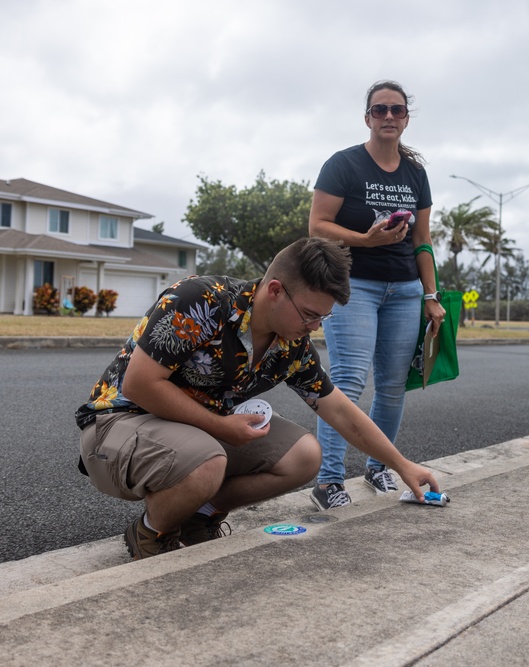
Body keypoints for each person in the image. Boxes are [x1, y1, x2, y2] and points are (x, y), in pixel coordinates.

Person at [74, 237, 440, 560]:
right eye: (311, 315)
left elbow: (338, 409)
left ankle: (200, 516)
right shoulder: (200, 301)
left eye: (324, 318)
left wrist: (400, 464)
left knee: (305, 455)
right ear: (275, 290)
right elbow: (139, 384)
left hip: (195, 433)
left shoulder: (291, 344)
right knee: (208, 460)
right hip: (117, 426)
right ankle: (152, 533)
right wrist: (221, 427)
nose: (315, 327)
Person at [308, 80, 445, 510]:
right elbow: (318, 227)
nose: (389, 116)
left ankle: (377, 467)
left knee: (391, 388)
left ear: (406, 118)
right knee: (346, 382)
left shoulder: (415, 173)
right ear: (367, 117)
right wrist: (365, 241)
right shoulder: (343, 164)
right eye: (380, 109)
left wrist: (430, 294)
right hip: (353, 287)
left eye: (397, 110)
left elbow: (422, 239)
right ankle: (328, 480)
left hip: (405, 290)